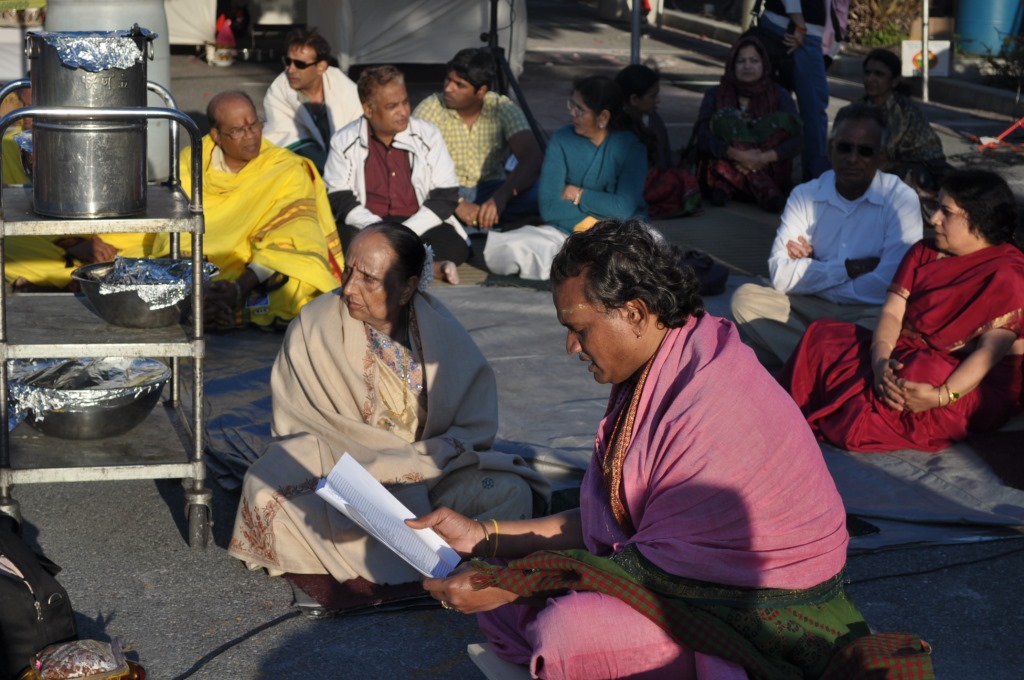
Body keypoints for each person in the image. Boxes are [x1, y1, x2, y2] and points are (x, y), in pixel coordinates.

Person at [411, 219, 876, 678]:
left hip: (766, 613)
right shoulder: (666, 362)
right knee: (495, 574)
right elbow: (610, 523)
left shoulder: (710, 397)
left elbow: (658, 567)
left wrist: (515, 584)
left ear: (634, 313)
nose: (571, 347)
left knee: (566, 630)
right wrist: (484, 536)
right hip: (671, 574)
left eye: (579, 329)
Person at [228, 222, 549, 586]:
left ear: (407, 288)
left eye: (369, 279)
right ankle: (437, 553)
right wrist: (388, 463)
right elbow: (304, 424)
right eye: (348, 271)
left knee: (513, 491)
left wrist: (421, 460)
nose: (350, 287)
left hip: (433, 473)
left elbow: (473, 424)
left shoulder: (439, 330)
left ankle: (448, 558)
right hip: (347, 475)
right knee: (265, 491)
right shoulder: (314, 325)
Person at [780, 169, 1024, 453]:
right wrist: (879, 363)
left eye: (946, 212)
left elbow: (987, 355)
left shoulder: (1008, 275)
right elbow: (892, 314)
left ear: (978, 220)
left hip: (970, 383)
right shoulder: (924, 252)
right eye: (936, 208)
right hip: (905, 352)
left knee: (918, 369)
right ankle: (864, 396)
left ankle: (860, 411)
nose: (934, 219)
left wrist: (941, 396)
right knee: (822, 337)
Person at [730, 102, 922, 366]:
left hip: (867, 312)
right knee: (746, 299)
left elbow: (888, 283)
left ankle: (804, 360)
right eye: (844, 147)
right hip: (810, 304)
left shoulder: (901, 200)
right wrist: (849, 269)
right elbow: (781, 276)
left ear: (882, 157)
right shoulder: (805, 194)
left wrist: (814, 269)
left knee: (895, 323)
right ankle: (834, 365)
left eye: (865, 151)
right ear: (830, 149)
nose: (852, 158)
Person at [156, 91, 344, 330]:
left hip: (253, 274)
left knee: (297, 285)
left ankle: (211, 308)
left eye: (254, 125)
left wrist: (237, 288)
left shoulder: (286, 168)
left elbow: (294, 237)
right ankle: (211, 305)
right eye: (238, 131)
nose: (251, 136)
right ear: (216, 135)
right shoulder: (190, 163)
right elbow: (171, 229)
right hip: (199, 269)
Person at [482, 76, 648, 280]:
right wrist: (594, 217)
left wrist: (579, 195)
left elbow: (623, 208)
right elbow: (550, 208)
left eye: (580, 109)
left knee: (637, 257)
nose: (572, 113)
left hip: (618, 234)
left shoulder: (631, 147)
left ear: (603, 117)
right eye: (571, 105)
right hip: (564, 234)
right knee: (509, 248)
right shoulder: (562, 139)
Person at [324, 65, 466, 283]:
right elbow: (339, 198)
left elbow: (445, 196)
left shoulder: (429, 135)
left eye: (405, 102)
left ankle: (384, 267)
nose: (403, 112)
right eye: (392, 106)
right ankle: (429, 267)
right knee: (337, 242)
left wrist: (403, 233)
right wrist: (380, 232)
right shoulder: (343, 141)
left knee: (454, 245)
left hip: (418, 225)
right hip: (367, 225)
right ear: (368, 109)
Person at [413, 47, 543, 230]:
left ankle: (477, 221)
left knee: (542, 193)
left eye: (459, 85)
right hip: (444, 191)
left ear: (481, 91)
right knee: (413, 201)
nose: (448, 88)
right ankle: (494, 224)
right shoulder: (430, 109)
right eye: (448, 79)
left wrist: (500, 198)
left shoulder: (500, 107)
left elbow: (533, 156)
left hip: (491, 189)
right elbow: (413, 165)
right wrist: (456, 202)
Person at [693, 35, 801, 213]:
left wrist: (762, 158)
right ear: (732, 65)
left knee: (780, 124)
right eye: (741, 61)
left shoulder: (780, 95)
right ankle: (766, 190)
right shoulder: (716, 94)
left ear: (764, 64)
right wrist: (738, 154)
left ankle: (727, 187)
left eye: (754, 61)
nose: (747, 66)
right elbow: (703, 136)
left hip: (768, 165)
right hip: (727, 161)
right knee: (724, 121)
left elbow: (797, 140)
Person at [261, 27, 362, 174]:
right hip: (300, 171)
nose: (290, 70)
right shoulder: (278, 91)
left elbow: (360, 135)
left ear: (321, 67)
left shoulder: (346, 90)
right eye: (287, 61)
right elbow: (285, 138)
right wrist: (331, 170)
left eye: (300, 64)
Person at [861, 48, 952, 197]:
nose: (871, 79)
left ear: (894, 80)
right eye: (867, 73)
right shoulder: (857, 107)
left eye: (879, 74)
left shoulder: (902, 110)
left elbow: (886, 153)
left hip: (923, 166)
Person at [616, 63, 701, 219]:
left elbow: (663, 158)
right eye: (652, 96)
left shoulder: (653, 119)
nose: (658, 100)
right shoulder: (618, 125)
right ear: (634, 99)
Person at [758, 0, 830, 180]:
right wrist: (800, 25)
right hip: (795, 31)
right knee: (812, 112)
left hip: (796, 29)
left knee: (775, 104)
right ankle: (814, 180)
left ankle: (766, 176)